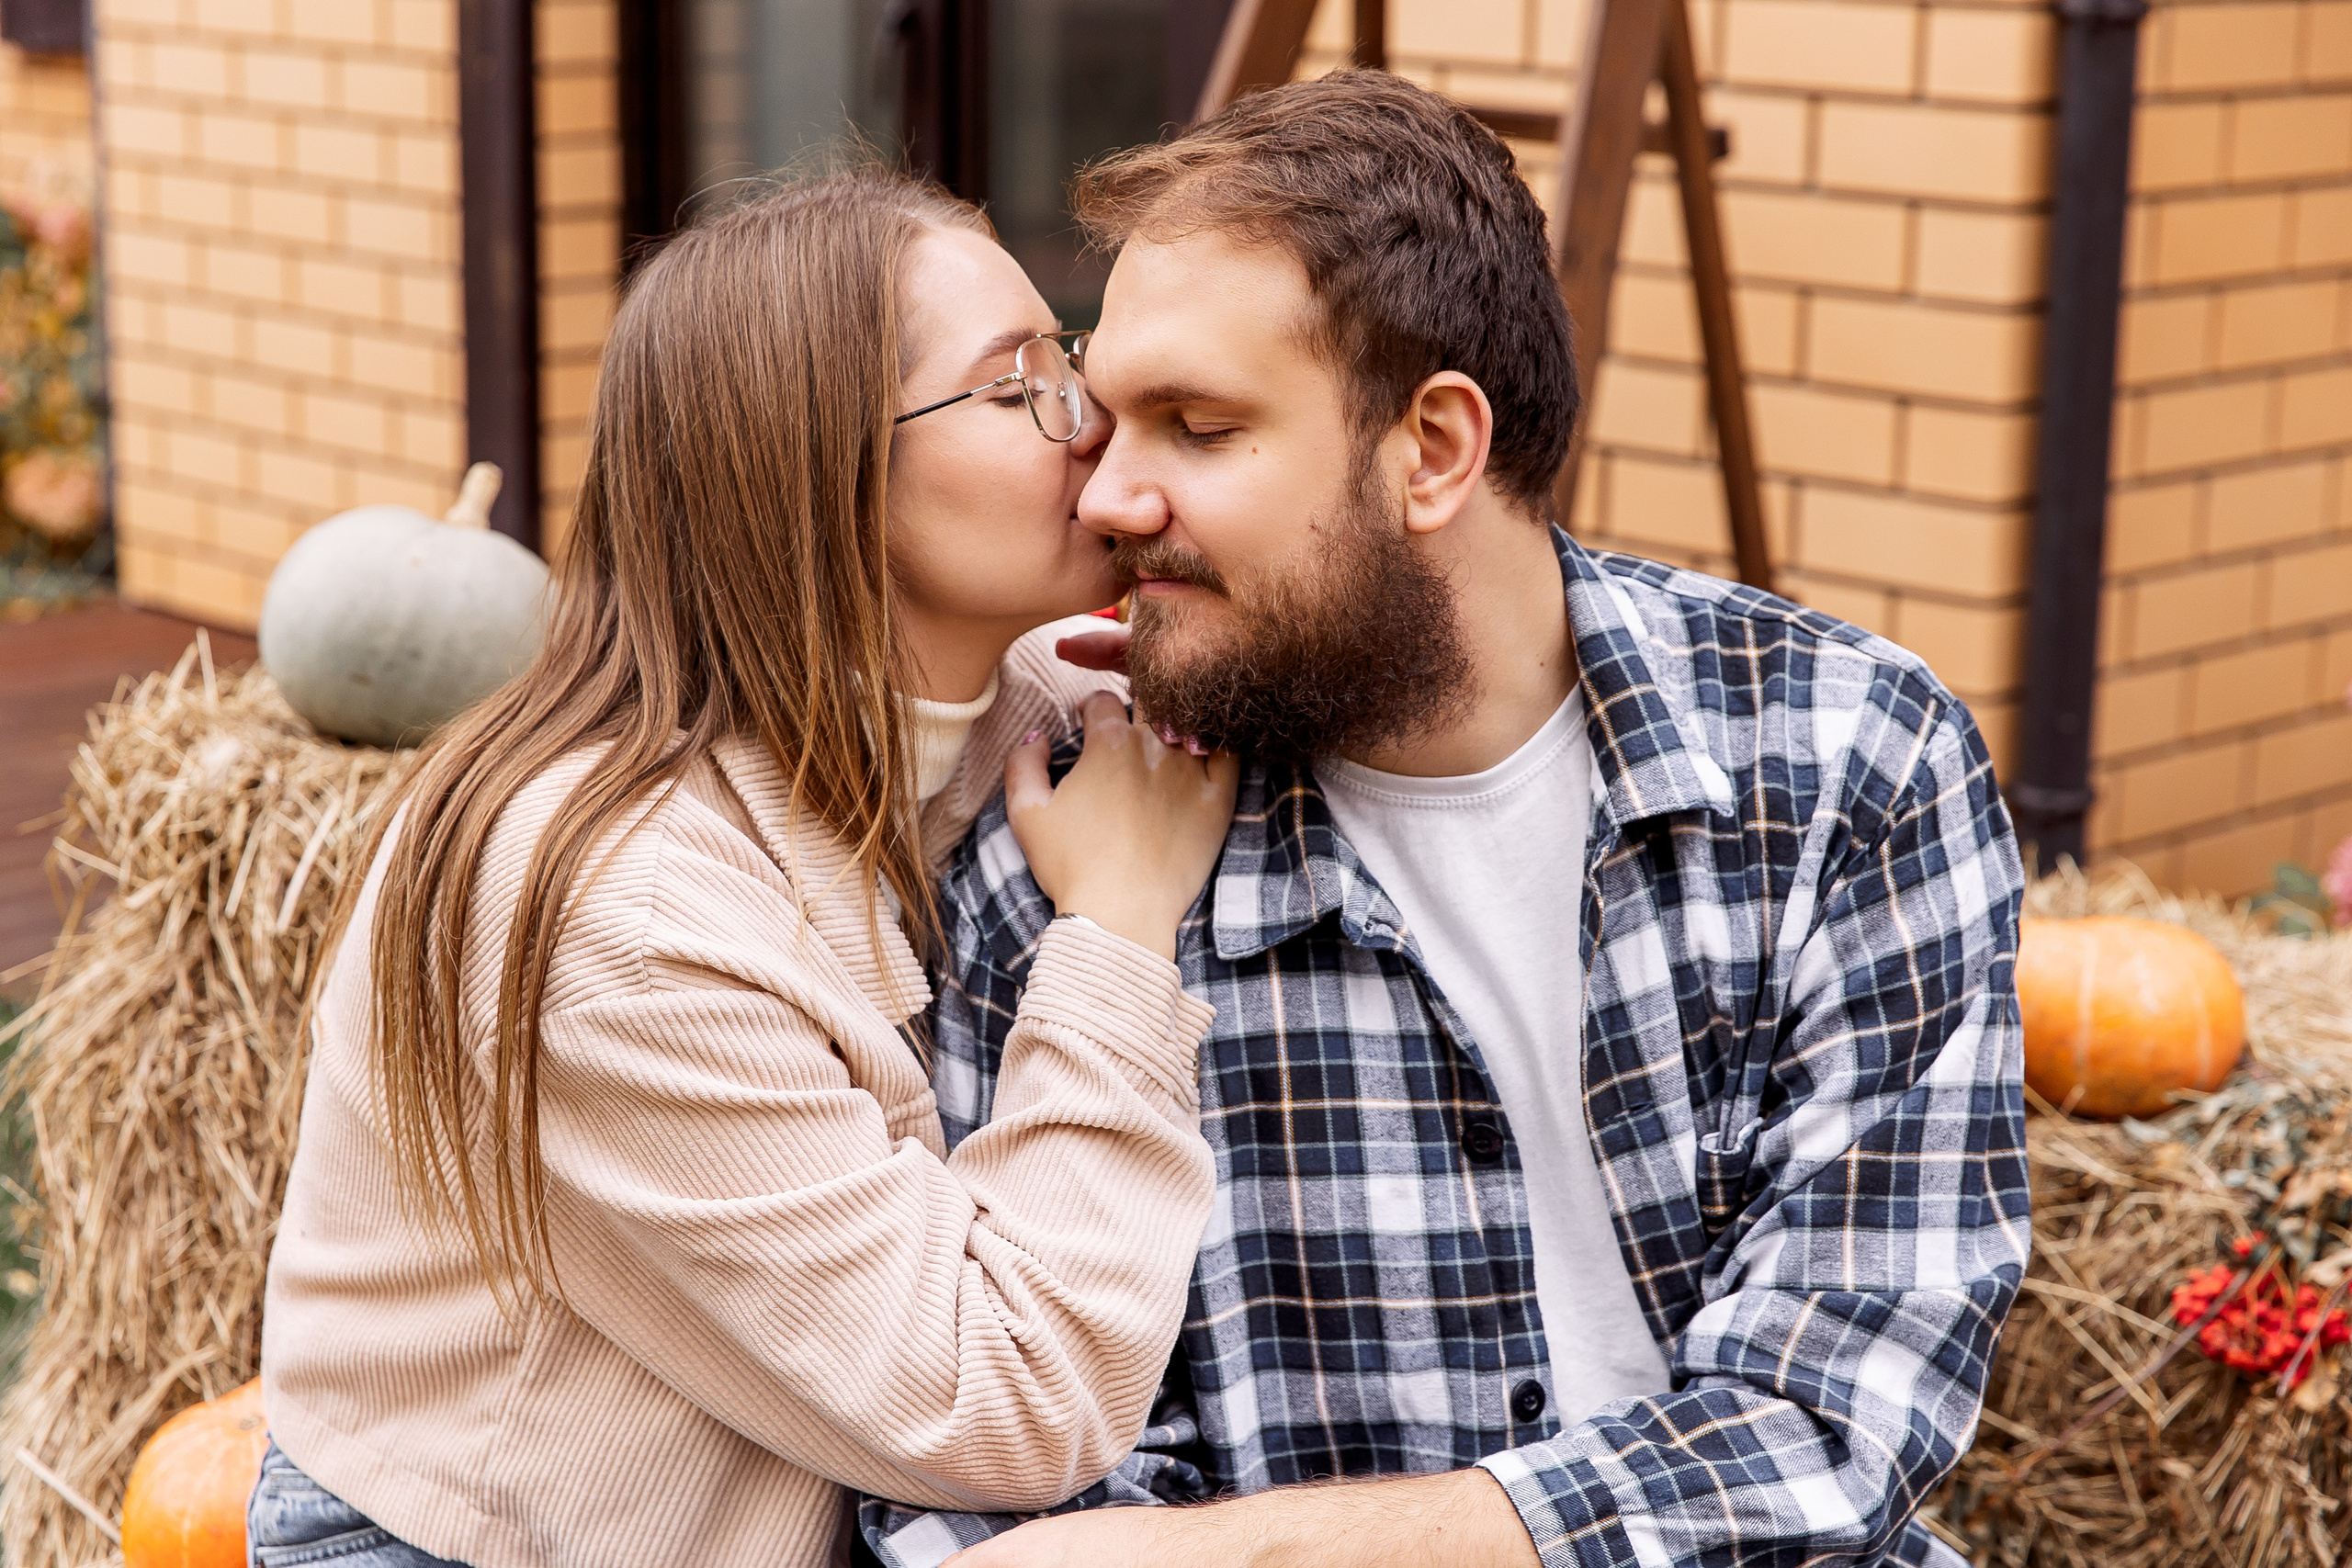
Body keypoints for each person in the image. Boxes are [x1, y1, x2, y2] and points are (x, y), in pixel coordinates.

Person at [903, 72, 2030, 1568]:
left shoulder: (1845, 765)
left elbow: (1837, 1417)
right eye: (1107, 418)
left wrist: (1268, 1557)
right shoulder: (1067, 849)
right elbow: (999, 1481)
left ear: (1433, 448)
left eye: (1196, 426)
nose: (1108, 494)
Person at [254, 168, 1239, 1568]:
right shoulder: (624, 911)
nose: (1098, 435)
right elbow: (1008, 1406)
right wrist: (1122, 933)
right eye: (1021, 388)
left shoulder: (1003, 705)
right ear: (810, 465)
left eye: (1064, 359)